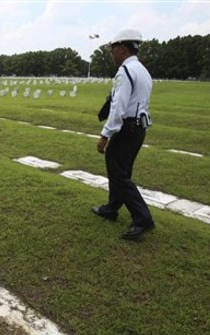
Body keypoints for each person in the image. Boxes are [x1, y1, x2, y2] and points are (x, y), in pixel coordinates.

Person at [92, 29, 155, 240]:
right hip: (139, 128)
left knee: (119, 174)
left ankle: (142, 218)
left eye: (113, 51)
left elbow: (119, 106)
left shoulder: (125, 71)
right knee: (122, 171)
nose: (112, 55)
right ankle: (111, 208)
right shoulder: (142, 70)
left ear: (122, 48)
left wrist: (105, 135)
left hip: (127, 128)